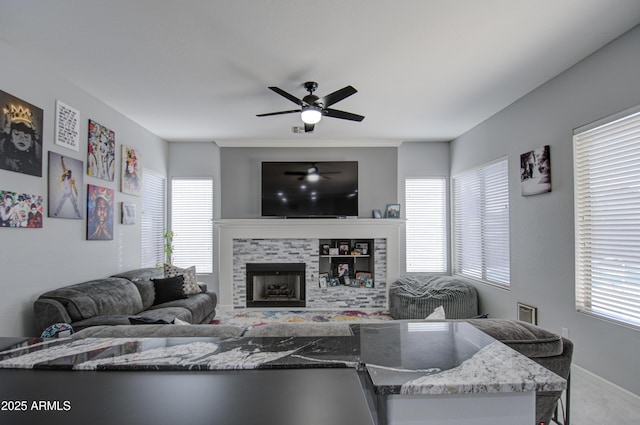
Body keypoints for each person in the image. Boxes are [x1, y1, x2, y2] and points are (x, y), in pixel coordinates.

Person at [0, 104, 41, 176]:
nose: (22, 139)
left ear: (31, 142)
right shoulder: (4, 159)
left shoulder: (36, 164)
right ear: (11, 139)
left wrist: (35, 134)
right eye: (16, 134)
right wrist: (7, 129)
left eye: (26, 136)